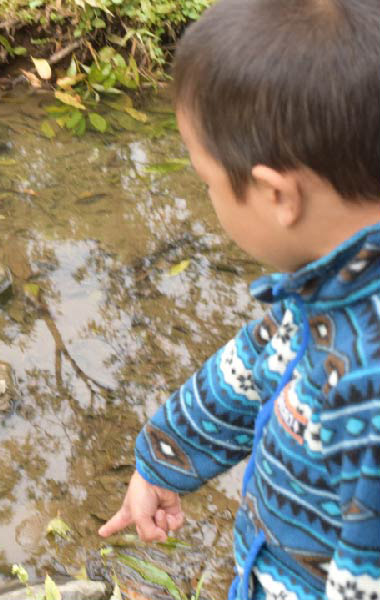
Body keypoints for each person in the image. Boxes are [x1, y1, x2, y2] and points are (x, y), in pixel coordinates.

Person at [96, 1, 380, 599]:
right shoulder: (332, 291)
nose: (210, 199)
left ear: (278, 195)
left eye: (207, 181)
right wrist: (164, 460)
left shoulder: (367, 399)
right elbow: (254, 364)